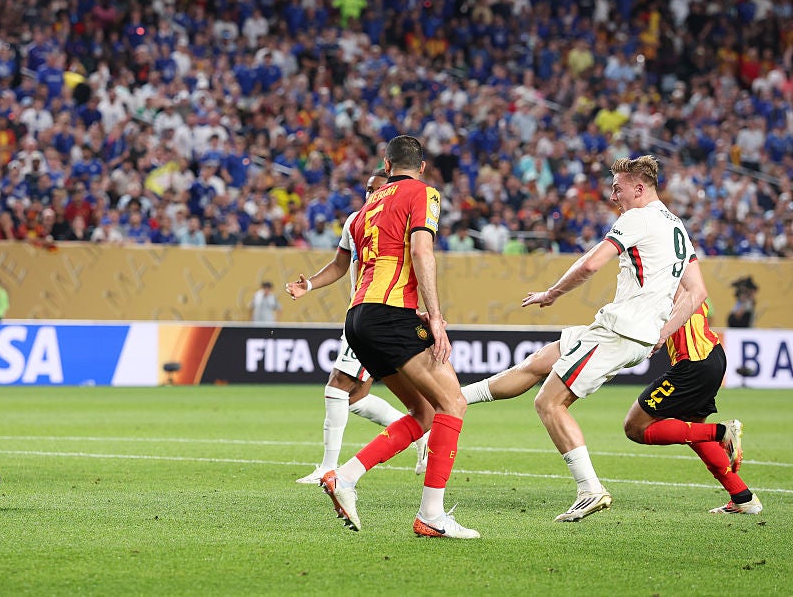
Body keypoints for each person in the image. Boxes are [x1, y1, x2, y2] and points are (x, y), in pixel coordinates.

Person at [460, 155, 698, 522]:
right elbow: (695, 292)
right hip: (632, 330)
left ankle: (590, 489)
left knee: (549, 403)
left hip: (621, 329)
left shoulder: (638, 217)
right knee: (540, 360)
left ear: (639, 187)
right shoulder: (676, 226)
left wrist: (552, 293)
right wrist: (659, 334)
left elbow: (590, 264)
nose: (613, 194)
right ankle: (456, 399)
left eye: (618, 188)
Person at [289, 135, 478, 539]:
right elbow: (421, 251)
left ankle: (345, 476)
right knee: (454, 402)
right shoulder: (424, 194)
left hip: (358, 317)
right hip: (389, 315)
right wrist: (438, 319)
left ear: (386, 165)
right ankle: (431, 515)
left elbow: (355, 264)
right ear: (422, 167)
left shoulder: (361, 211)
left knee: (425, 412)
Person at [285, 173, 429, 486]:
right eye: (368, 189)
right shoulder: (355, 221)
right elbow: (339, 265)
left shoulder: (400, 219)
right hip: (361, 314)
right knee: (355, 398)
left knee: (337, 386)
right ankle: (422, 432)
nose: (373, 193)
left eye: (379, 189)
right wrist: (308, 285)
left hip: (380, 315)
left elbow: (418, 257)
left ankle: (328, 468)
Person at [622, 260, 761, 515]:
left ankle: (722, 431)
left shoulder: (665, 280)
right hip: (712, 356)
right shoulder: (686, 278)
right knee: (693, 432)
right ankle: (742, 497)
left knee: (635, 427)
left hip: (694, 362)